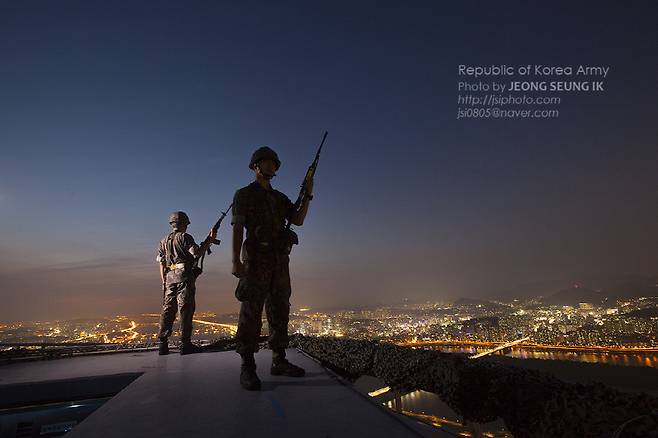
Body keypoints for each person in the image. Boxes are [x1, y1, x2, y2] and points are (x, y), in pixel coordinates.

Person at [231, 146, 313, 390]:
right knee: (251, 311)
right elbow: (237, 227)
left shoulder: (279, 199)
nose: (271, 166)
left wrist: (307, 194)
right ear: (256, 166)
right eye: (266, 162)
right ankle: (247, 365)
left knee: (280, 309)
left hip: (279, 261)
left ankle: (279, 360)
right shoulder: (244, 194)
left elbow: (298, 219)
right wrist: (235, 260)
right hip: (255, 260)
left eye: (273, 163)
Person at [156, 211, 217, 355]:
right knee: (185, 309)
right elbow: (196, 253)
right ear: (184, 224)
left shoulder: (163, 241)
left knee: (168, 310)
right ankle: (185, 344)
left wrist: (164, 281)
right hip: (184, 277)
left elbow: (161, 263)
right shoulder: (185, 237)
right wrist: (210, 240)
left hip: (169, 278)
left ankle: (162, 344)